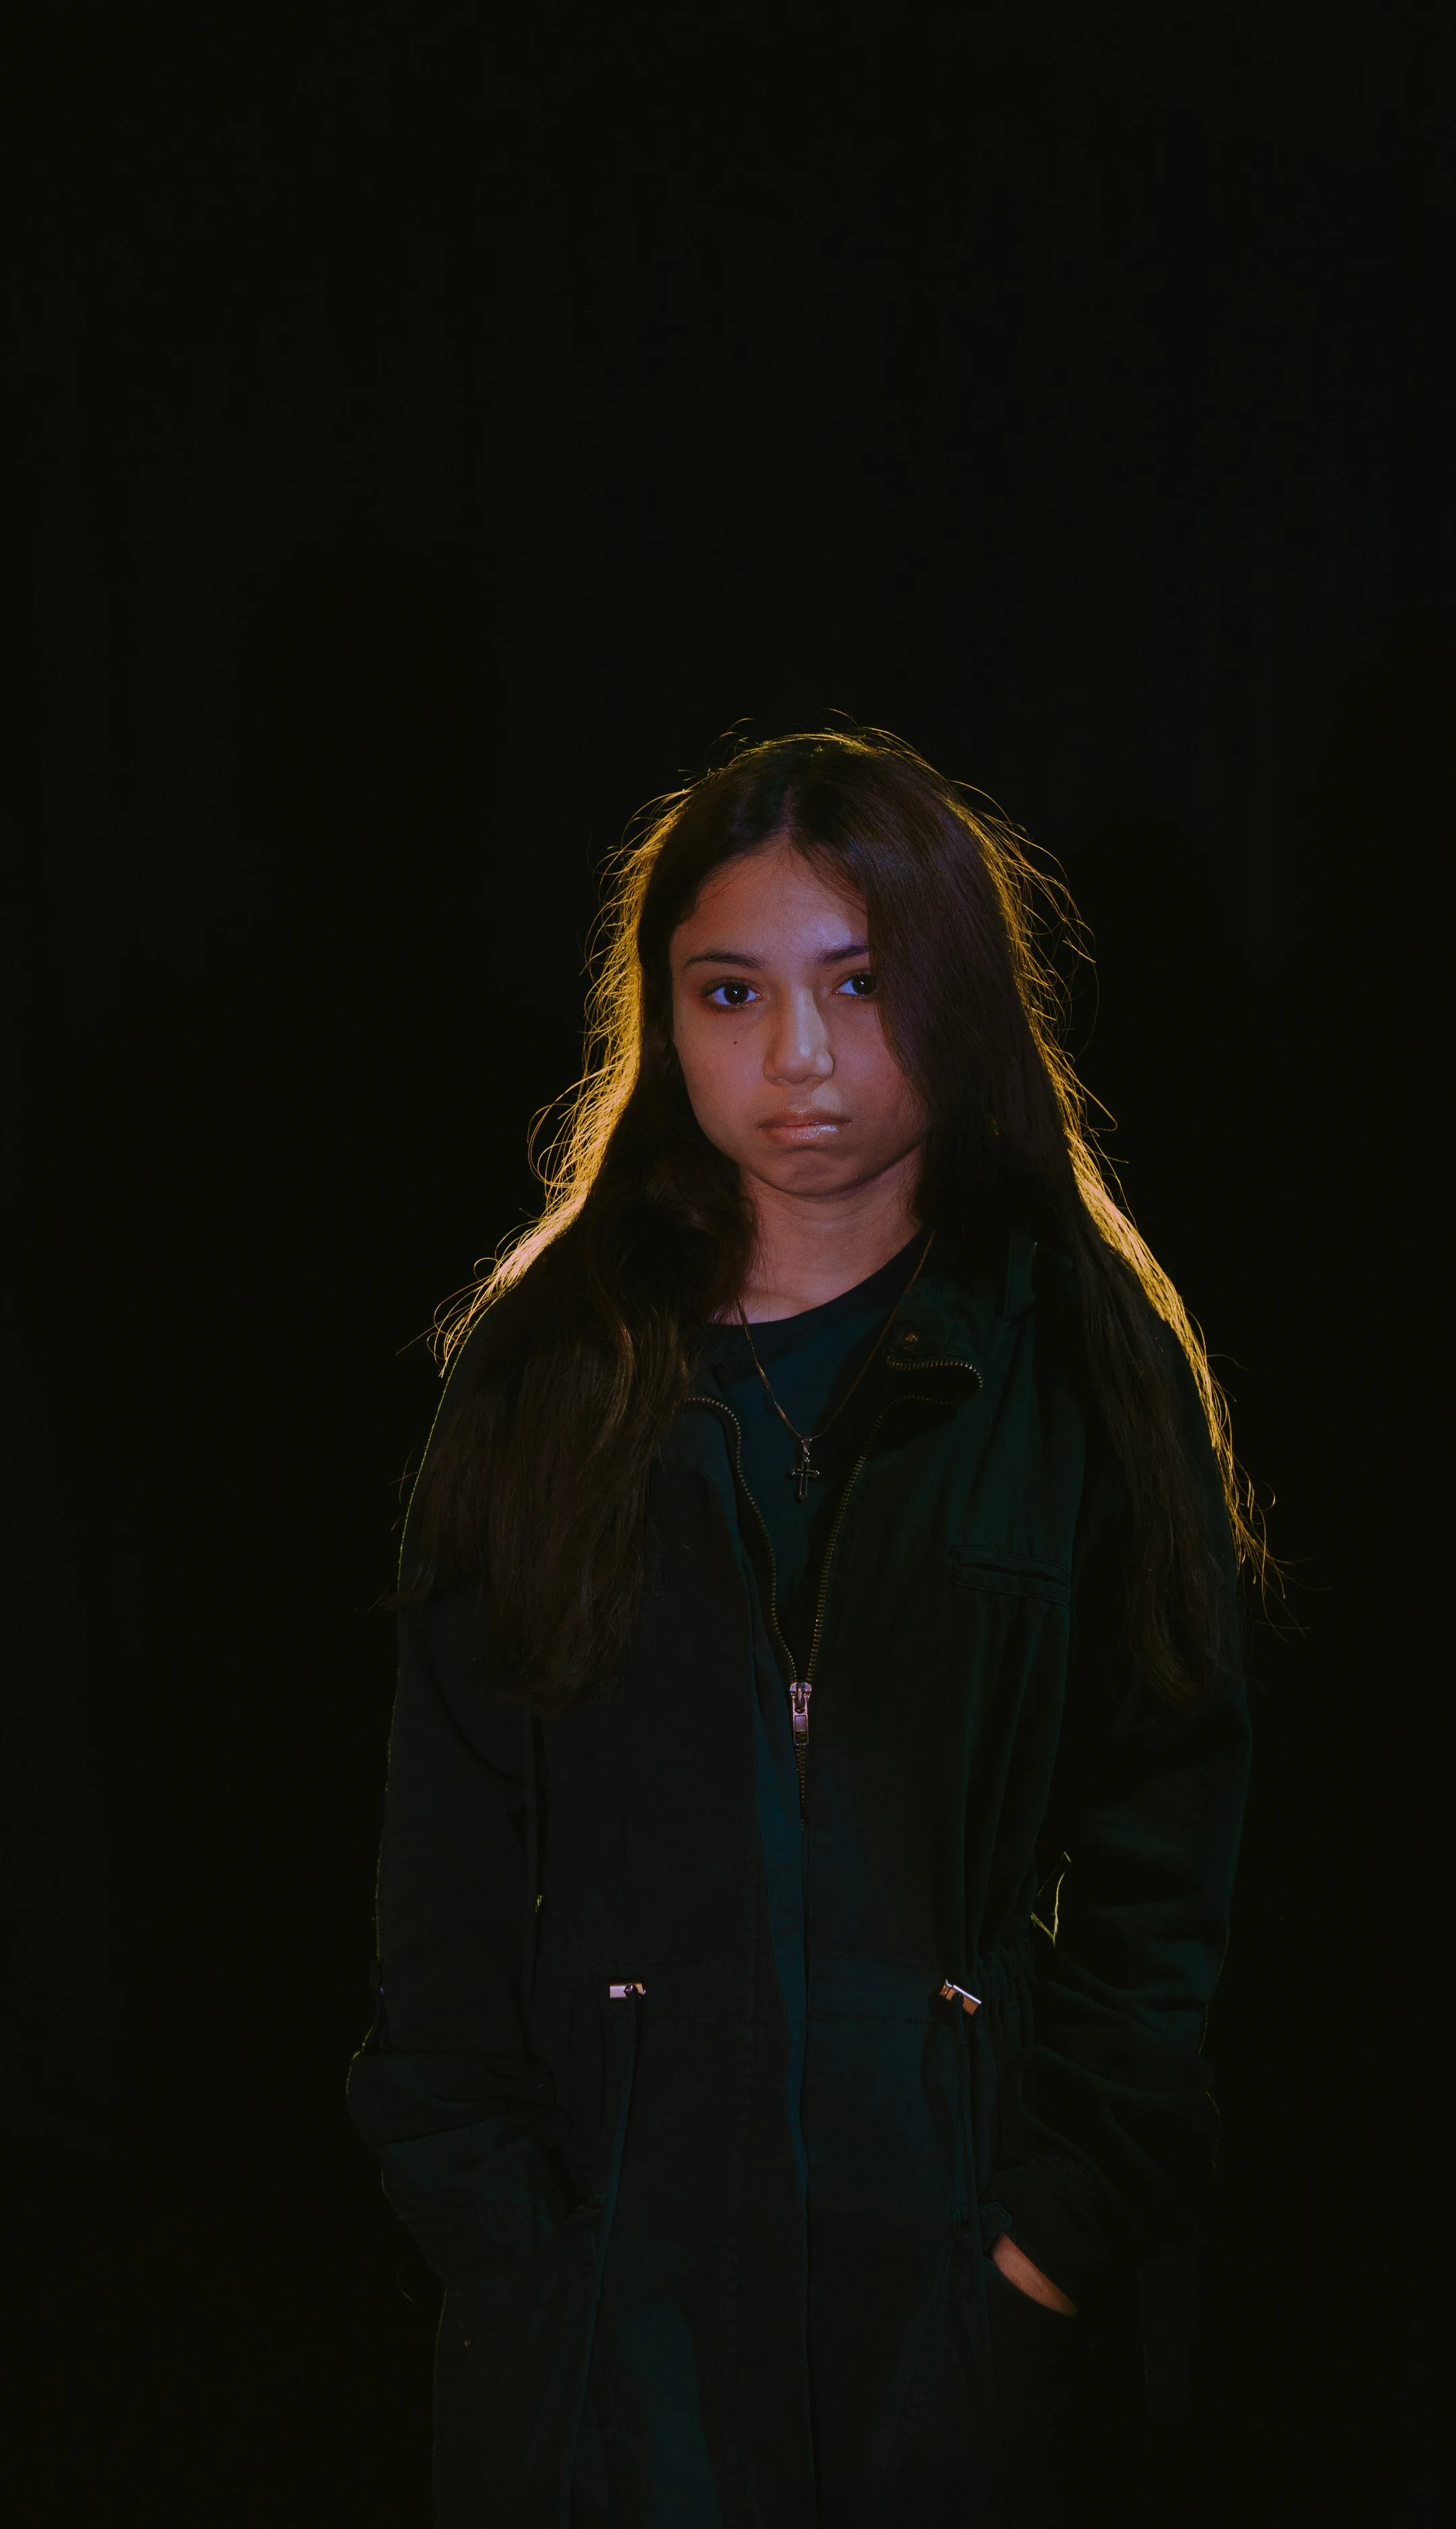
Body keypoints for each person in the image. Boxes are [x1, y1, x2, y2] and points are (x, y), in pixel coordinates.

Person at [347, 728, 1258, 2528]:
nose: (801, 1058)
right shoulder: (544, 1374)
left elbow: (1173, 1845)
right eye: (731, 992)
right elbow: (442, 1863)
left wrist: (1050, 2239)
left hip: (958, 2312)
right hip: (610, 2320)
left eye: (859, 981)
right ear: (664, 1020)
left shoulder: (1083, 1359)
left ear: (958, 994)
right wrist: (512, 2240)